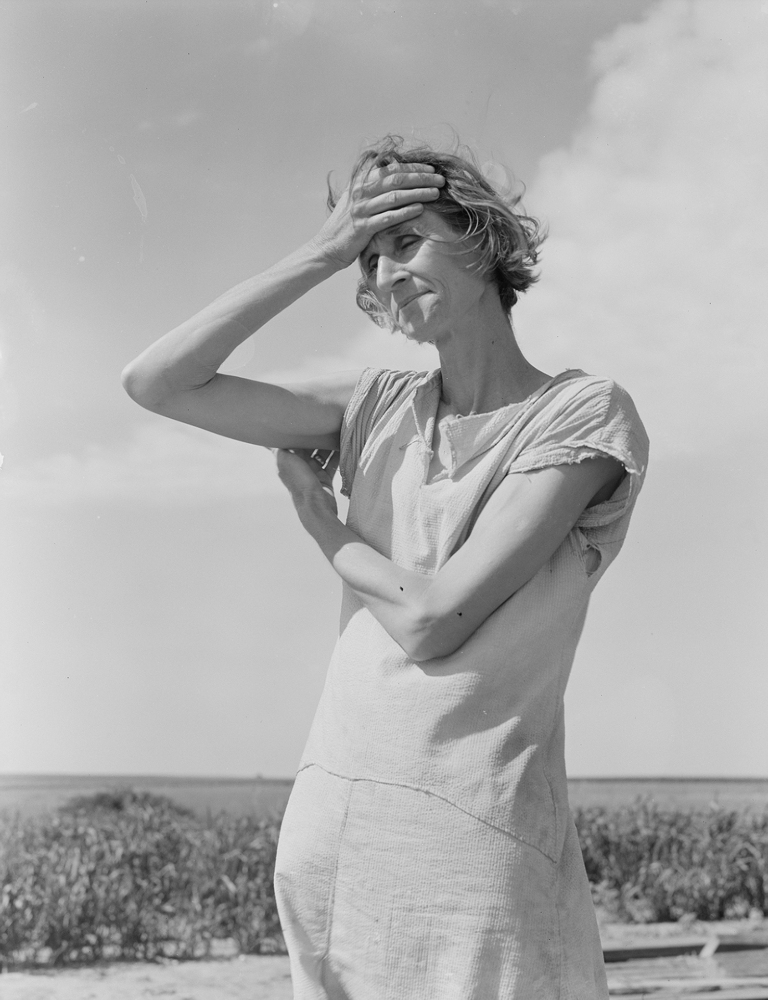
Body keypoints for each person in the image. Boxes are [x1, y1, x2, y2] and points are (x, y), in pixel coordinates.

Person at [123, 135, 649, 999]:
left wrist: (319, 523)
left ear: (482, 237)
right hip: (336, 822)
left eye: (406, 241)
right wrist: (322, 252)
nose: (385, 274)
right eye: (367, 261)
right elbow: (156, 383)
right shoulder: (372, 405)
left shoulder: (583, 414)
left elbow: (434, 618)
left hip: (474, 838)